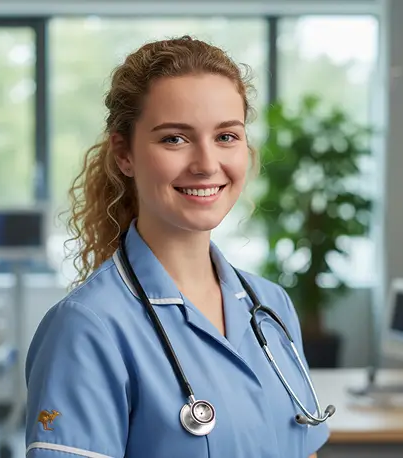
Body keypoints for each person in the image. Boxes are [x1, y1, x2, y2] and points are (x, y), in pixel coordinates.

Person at [25, 36, 330, 458]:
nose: (206, 164)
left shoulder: (272, 306)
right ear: (124, 154)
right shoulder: (87, 328)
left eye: (226, 136)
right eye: (174, 139)